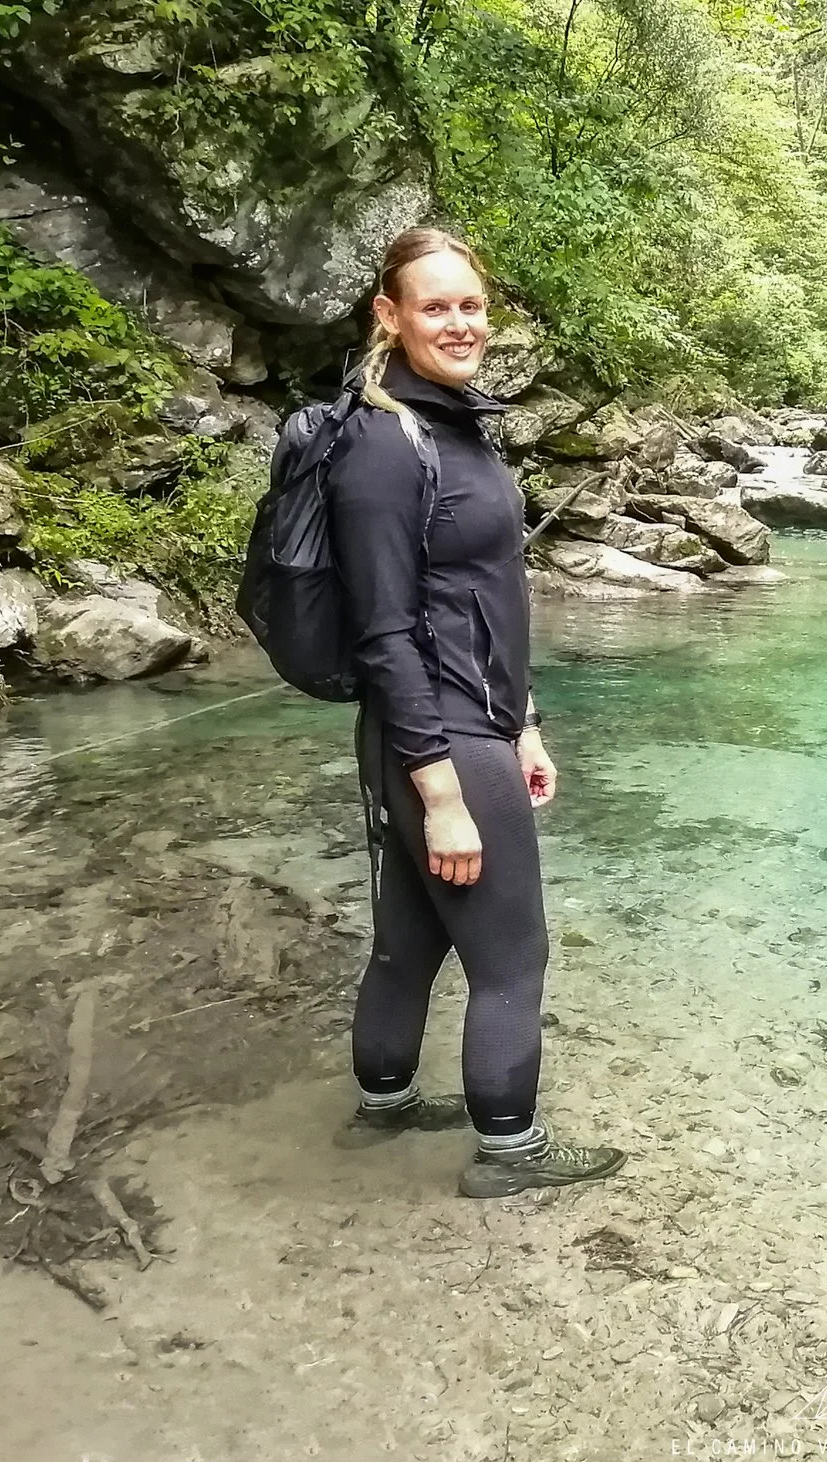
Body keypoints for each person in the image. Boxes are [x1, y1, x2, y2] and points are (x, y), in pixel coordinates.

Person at [324, 226, 625, 1197]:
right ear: (389, 314)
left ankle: (384, 1105)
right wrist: (442, 788)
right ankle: (512, 1151)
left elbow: (488, 595)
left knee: (410, 937)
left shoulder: (453, 420)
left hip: (463, 724)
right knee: (512, 958)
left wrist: (526, 720)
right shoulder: (382, 443)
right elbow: (382, 632)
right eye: (434, 305)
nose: (458, 323)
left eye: (470, 305)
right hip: (435, 734)